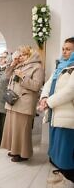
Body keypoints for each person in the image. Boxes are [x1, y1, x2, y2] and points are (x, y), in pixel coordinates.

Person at [39, 37, 74, 183]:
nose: (64, 52)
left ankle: (68, 177)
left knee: (65, 149)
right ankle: (62, 173)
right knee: (57, 147)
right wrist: (44, 97)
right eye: (63, 49)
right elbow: (49, 83)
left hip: (67, 114)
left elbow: (70, 91)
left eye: (68, 49)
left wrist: (49, 102)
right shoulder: (61, 66)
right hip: (56, 112)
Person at [1, 45, 44, 162]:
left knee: (22, 130)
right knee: (13, 129)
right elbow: (6, 76)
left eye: (23, 54)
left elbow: (36, 86)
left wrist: (23, 76)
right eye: (19, 54)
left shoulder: (37, 67)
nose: (20, 57)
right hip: (13, 101)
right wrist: (13, 64)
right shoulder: (19, 65)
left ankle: (24, 153)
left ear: (30, 55)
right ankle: (15, 150)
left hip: (24, 103)